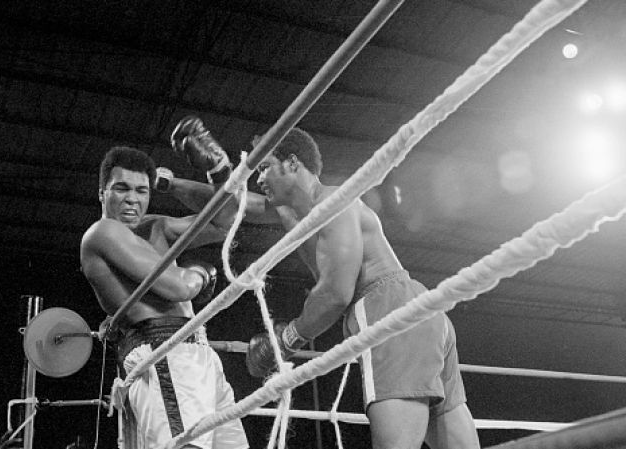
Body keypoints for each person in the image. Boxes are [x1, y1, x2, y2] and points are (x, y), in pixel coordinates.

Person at [166, 124, 480, 449]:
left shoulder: (334, 202)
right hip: (420, 312)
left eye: (264, 167)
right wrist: (177, 181)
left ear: (292, 163)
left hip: (388, 310)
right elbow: (231, 207)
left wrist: (285, 340)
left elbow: (336, 292)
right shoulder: (290, 212)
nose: (258, 178)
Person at [80, 144, 248, 449]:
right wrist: (198, 272)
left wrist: (210, 175)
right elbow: (177, 289)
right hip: (164, 351)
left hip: (195, 353)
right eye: (121, 189)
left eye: (142, 191)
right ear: (102, 193)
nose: (133, 199)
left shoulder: (155, 226)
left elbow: (225, 221)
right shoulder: (103, 232)